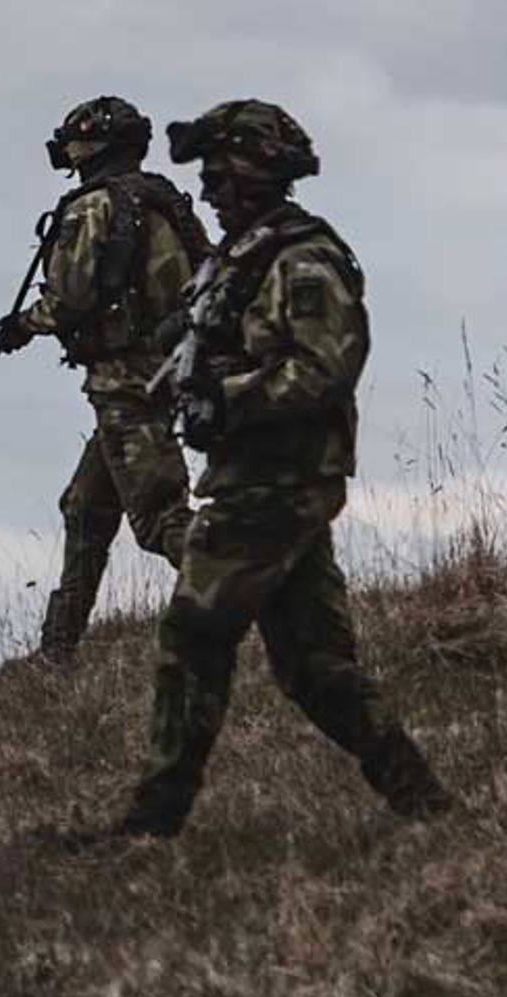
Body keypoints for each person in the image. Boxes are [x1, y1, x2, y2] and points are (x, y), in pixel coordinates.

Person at [113, 101, 450, 840]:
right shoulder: (241, 257)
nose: (207, 191)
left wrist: (222, 397)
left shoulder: (303, 259)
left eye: (219, 175)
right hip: (257, 476)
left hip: (279, 479)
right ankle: (425, 801)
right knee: (314, 668)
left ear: (257, 175)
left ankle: (153, 820)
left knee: (194, 634)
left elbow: (323, 370)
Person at [0, 95, 205, 662]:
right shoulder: (161, 200)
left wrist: (19, 327)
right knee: (86, 508)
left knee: (161, 519)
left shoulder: (93, 207)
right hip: (167, 370)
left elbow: (69, 299)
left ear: (91, 144)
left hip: (126, 382)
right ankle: (57, 652)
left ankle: (271, 597)